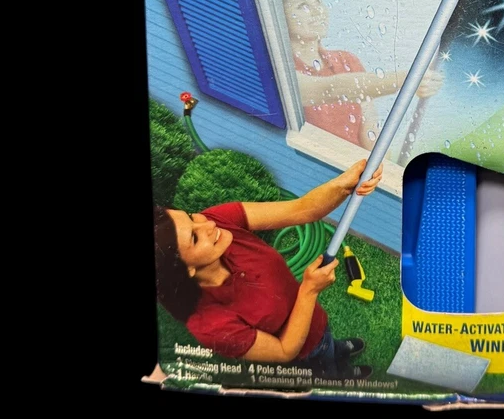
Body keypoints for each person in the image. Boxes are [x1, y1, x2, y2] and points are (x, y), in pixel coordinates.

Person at [154, 158, 382, 379]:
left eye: (191, 217)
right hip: (305, 354)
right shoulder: (210, 325)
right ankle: (341, 375)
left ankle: (337, 348)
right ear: (184, 270)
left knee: (328, 342)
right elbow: (284, 351)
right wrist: (309, 290)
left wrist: (344, 184)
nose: (208, 223)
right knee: (326, 369)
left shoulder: (218, 219)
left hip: (317, 321)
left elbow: (302, 208)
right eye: (195, 237)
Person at [279, 0, 443, 149]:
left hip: (354, 164)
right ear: (280, 16)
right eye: (303, 6)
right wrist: (406, 80)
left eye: (318, 2)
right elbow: (328, 89)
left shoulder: (347, 61)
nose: (318, 11)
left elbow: (371, 135)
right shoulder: (279, 68)